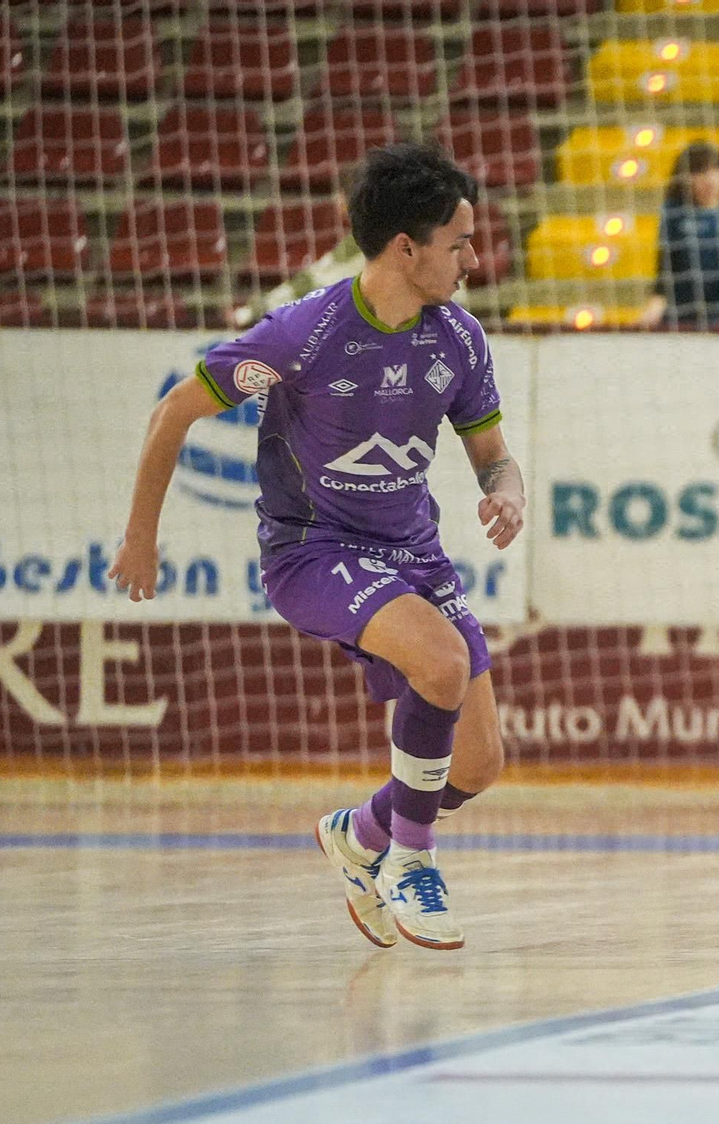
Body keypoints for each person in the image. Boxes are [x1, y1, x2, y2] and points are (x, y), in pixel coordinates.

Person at [108, 143, 525, 952]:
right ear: (405, 248)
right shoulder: (304, 333)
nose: (474, 259)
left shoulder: (460, 339)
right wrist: (140, 539)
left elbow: (491, 453)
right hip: (314, 550)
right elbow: (173, 414)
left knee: (478, 766)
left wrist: (506, 491)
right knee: (438, 665)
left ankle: (361, 836)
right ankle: (410, 859)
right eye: (459, 243)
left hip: (413, 553)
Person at [636, 140, 719, 333]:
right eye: (700, 172)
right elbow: (667, 265)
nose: (709, 180)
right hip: (677, 316)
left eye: (715, 171)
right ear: (685, 178)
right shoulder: (674, 212)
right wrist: (655, 305)